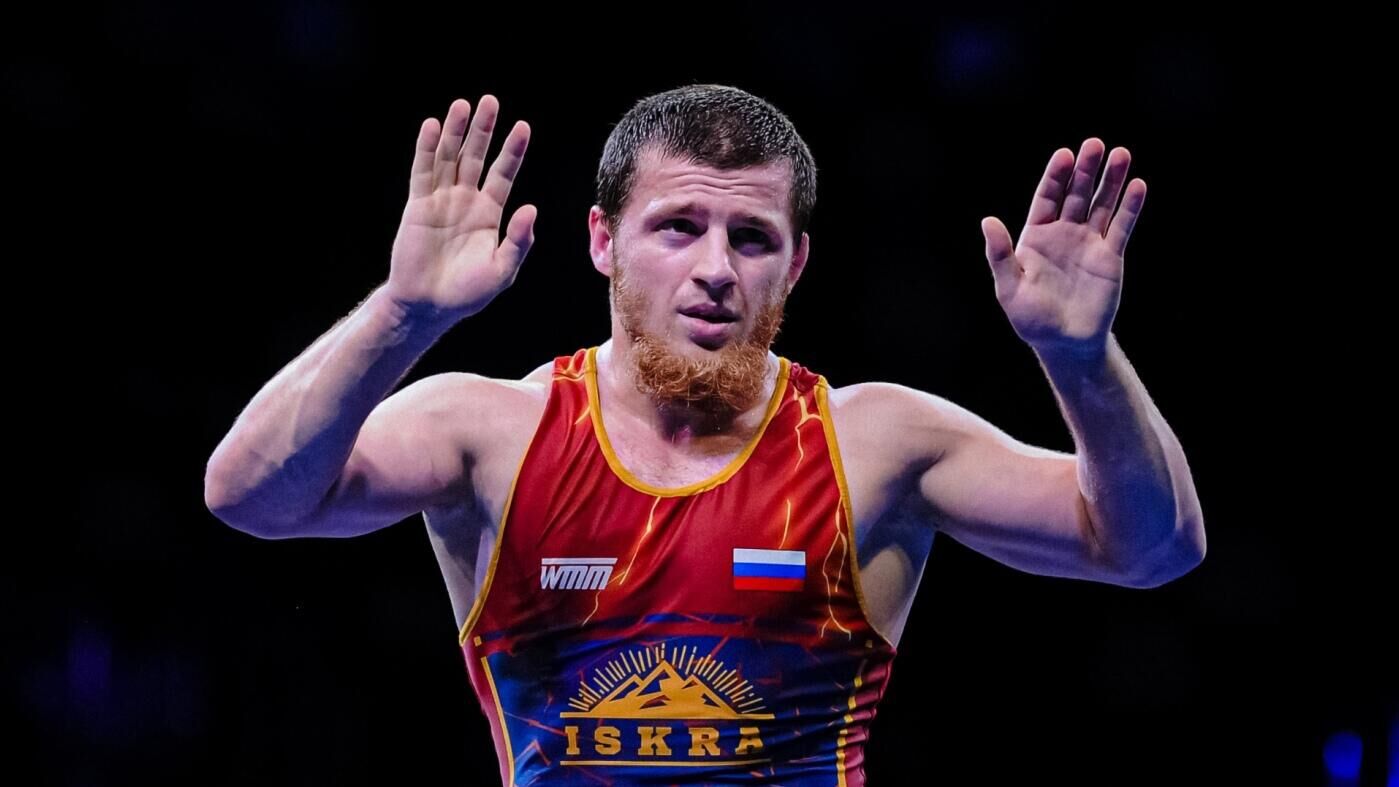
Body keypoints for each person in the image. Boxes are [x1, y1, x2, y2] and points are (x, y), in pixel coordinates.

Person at [204, 84, 1205, 786]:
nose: (717, 269)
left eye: (752, 237)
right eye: (678, 226)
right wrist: (402, 313)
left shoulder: (875, 442)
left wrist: (1079, 358)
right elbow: (248, 495)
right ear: (603, 240)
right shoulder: (490, 430)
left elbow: (1151, 550)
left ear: (795, 264)